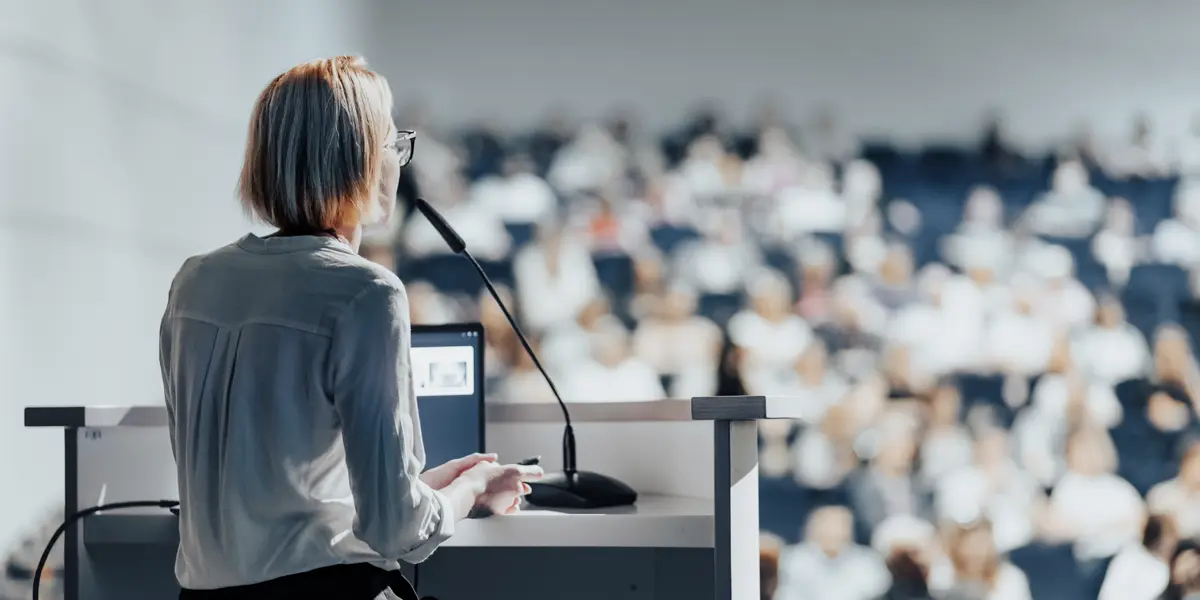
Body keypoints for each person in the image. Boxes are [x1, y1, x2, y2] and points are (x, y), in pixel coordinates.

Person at [159, 57, 543, 599]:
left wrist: (435, 487)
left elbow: (282, 504)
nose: (399, 161)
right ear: (358, 158)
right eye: (393, 143)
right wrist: (474, 488)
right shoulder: (367, 294)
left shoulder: (193, 283)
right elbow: (398, 532)